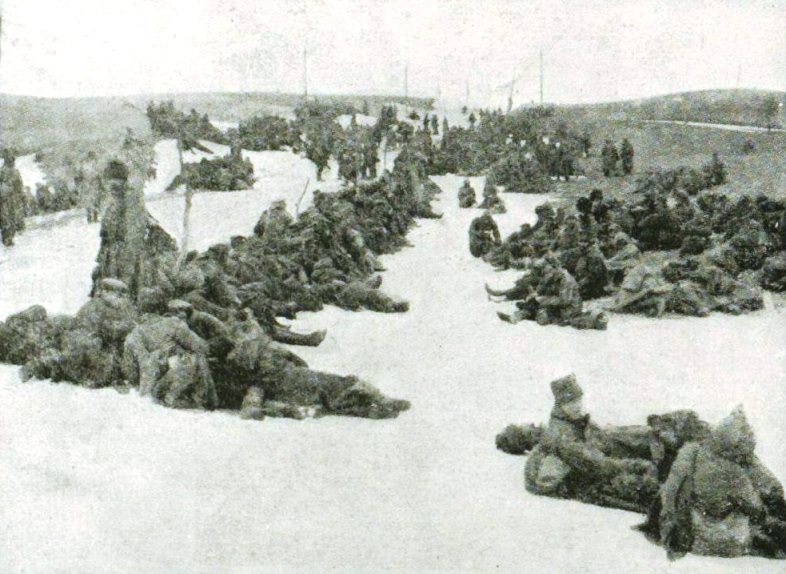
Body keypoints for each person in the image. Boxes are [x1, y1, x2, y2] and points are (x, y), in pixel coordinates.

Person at [654, 407, 786, 559]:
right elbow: (756, 508)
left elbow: (671, 491)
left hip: (688, 529)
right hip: (725, 539)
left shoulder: (691, 451)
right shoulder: (734, 472)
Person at [524, 375, 658, 512]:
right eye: (570, 402)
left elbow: (603, 441)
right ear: (560, 405)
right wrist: (637, 465)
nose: (577, 406)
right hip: (568, 481)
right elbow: (596, 464)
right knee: (634, 490)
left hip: (583, 465)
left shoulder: (576, 420)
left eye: (577, 400)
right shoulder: (561, 435)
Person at [0, 149, 27, 247]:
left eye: (12, 160)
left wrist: (22, 196)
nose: (12, 162)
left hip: (14, 199)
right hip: (5, 199)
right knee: (6, 219)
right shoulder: (2, 171)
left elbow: (20, 185)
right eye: (9, 160)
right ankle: (7, 239)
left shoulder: (15, 171)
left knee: (13, 218)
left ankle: (10, 237)